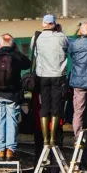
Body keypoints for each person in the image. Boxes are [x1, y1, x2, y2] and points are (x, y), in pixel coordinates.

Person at [0, 34, 32, 160]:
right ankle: (10, 151)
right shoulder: (17, 56)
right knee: (12, 122)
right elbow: (27, 64)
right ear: (13, 44)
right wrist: (16, 51)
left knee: (0, 122)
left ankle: (0, 151)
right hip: (13, 95)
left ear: (0, 44)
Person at [31, 15, 69, 146]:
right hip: (58, 76)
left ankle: (45, 138)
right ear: (54, 24)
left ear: (43, 24)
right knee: (56, 107)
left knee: (44, 106)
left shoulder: (36, 38)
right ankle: (53, 137)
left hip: (42, 76)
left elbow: (35, 53)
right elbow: (68, 47)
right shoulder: (61, 37)